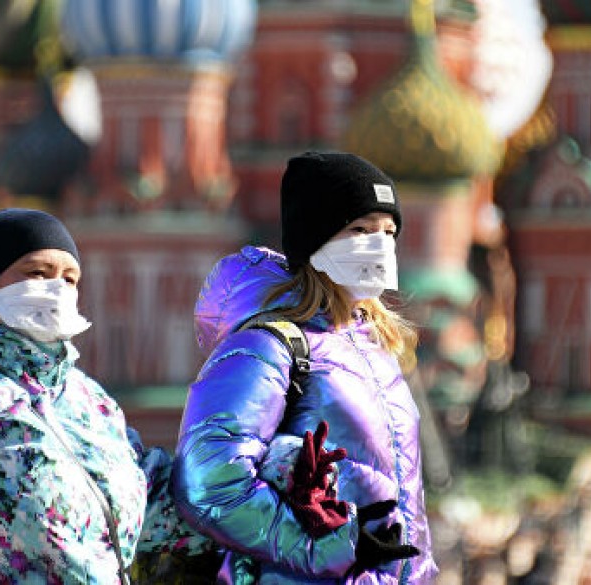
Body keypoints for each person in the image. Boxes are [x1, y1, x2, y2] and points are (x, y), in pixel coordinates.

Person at [173, 151, 438, 583]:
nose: (379, 244)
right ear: (316, 238)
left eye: (389, 231)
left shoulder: (375, 352)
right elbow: (208, 482)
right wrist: (328, 549)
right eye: (360, 229)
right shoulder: (267, 346)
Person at [0, 208, 211, 583]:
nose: (58, 289)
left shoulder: (87, 399)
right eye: (37, 273)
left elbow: (156, 507)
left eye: (70, 279)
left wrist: (272, 472)